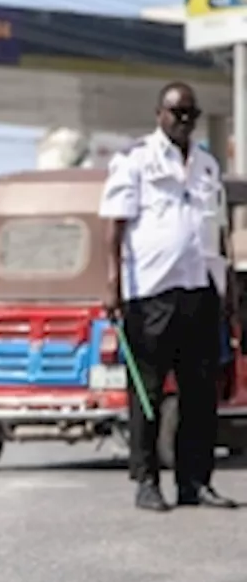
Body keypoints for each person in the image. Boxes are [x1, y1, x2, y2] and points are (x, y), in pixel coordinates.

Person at [99, 82, 238, 511]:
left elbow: (218, 230)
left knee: (200, 394)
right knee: (149, 393)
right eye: (177, 113)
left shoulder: (208, 165)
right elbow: (114, 226)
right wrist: (112, 284)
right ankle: (147, 482)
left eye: (191, 115)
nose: (184, 122)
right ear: (159, 113)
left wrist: (228, 285)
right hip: (151, 294)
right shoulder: (135, 161)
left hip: (200, 290)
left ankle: (195, 482)